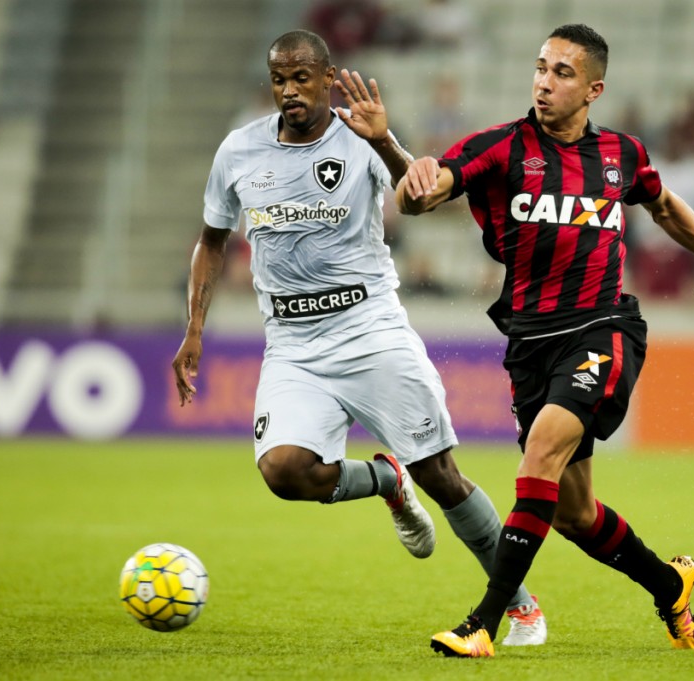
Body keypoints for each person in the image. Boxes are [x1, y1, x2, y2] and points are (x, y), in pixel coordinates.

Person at [396, 24, 694, 658]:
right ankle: (669, 584)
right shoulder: (500, 148)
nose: (544, 82)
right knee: (574, 513)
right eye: (541, 67)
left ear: (594, 89)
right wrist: (404, 164)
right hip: (530, 344)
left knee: (539, 457)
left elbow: (666, 207)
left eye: (562, 72)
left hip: (602, 329)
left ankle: (483, 624)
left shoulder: (622, 154)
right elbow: (420, 198)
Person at [170, 30, 547, 646]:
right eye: (279, 80)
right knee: (285, 471)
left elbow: (422, 200)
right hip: (292, 342)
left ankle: (522, 605)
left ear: (327, 78)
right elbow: (211, 241)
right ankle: (384, 481)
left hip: (368, 328)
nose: (290, 91)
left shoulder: (360, 138)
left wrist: (386, 142)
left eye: (301, 78)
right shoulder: (239, 150)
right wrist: (194, 329)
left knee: (441, 475)